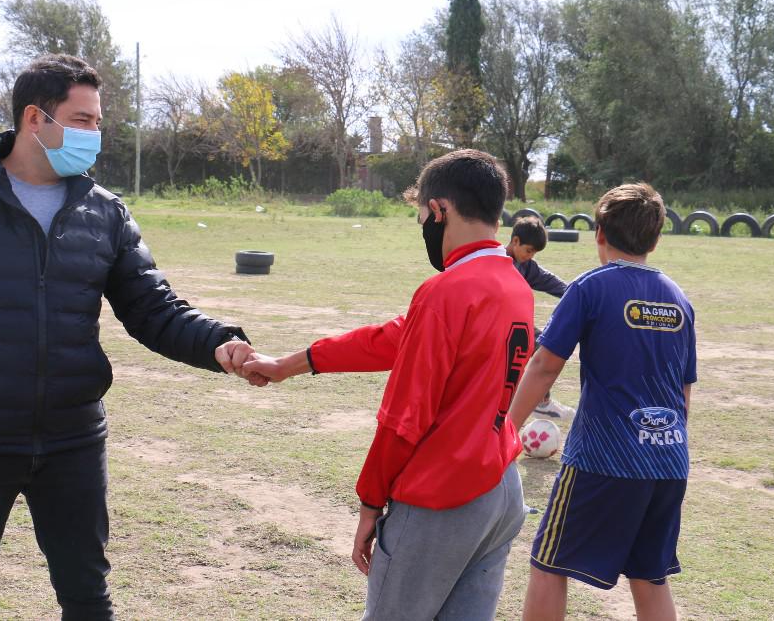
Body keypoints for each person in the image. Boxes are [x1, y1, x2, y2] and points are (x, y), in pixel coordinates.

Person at [0, 54, 259, 620]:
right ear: (34, 119)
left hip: (73, 438)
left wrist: (219, 342)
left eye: (98, 121)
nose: (96, 134)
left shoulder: (105, 212)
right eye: (84, 119)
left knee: (88, 597)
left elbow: (153, 308)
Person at [244, 150, 532, 620]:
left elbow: (403, 419)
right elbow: (389, 339)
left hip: (443, 499)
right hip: (499, 491)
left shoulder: (446, 292)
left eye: (421, 217)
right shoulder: (509, 280)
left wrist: (369, 503)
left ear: (439, 211)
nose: (423, 228)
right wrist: (287, 365)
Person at [507, 183, 696, 621]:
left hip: (603, 461)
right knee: (649, 576)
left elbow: (543, 366)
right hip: (670, 462)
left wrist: (504, 428)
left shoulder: (591, 286)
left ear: (599, 233)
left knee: (548, 564)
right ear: (656, 238)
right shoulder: (678, 298)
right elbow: (684, 393)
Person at [504, 216, 574, 421]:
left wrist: (578, 294)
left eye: (534, 253)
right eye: (529, 250)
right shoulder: (495, 261)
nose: (531, 256)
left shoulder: (526, 266)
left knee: (545, 348)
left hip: (513, 327)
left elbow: (550, 282)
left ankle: (541, 402)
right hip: (490, 327)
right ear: (515, 241)